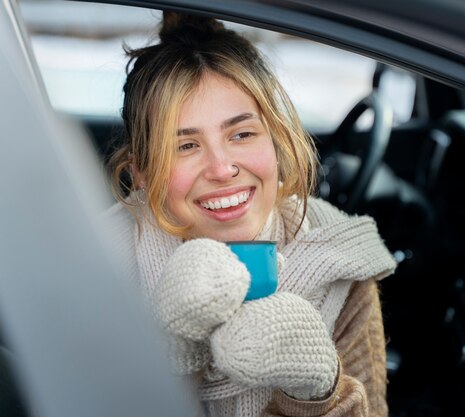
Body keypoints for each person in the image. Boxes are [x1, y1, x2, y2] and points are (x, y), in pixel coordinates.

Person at [106, 11, 396, 417]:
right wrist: (170, 353)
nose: (222, 168)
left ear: (276, 140)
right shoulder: (99, 262)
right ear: (140, 172)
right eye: (185, 146)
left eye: (241, 134)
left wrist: (318, 391)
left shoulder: (341, 264)